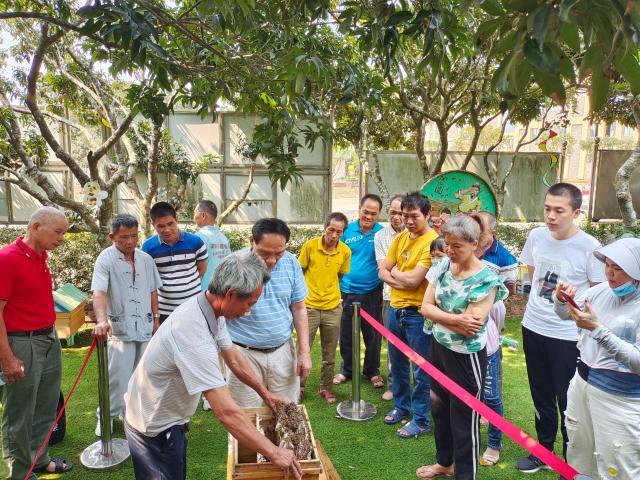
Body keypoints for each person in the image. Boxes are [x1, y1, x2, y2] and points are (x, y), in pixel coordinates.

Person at [124, 251, 302, 480]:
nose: (249, 310)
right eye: (249, 303)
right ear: (230, 294)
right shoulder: (192, 335)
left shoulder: (211, 309)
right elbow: (226, 412)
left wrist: (264, 393)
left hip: (170, 419)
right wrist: (274, 451)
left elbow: (234, 357)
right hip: (154, 427)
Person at [516, 183, 606, 473]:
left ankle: (572, 462)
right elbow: (534, 278)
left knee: (568, 401)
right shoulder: (537, 236)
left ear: (576, 212)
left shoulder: (590, 247)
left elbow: (597, 295)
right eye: (547, 208)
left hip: (567, 337)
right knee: (540, 395)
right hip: (533, 327)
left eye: (559, 210)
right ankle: (543, 452)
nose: (550, 216)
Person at [419, 214, 507, 480]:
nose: (450, 250)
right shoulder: (444, 265)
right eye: (447, 243)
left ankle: (465, 475)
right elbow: (424, 307)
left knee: (464, 420)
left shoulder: (486, 278)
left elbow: (472, 327)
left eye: (457, 246)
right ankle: (444, 463)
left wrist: (439, 315)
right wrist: (456, 318)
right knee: (438, 408)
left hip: (466, 358)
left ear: (475, 243)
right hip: (439, 349)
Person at [555, 237, 640, 480]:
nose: (610, 274)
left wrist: (597, 330)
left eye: (619, 268)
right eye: (608, 265)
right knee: (579, 452)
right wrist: (562, 301)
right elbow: (566, 315)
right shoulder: (602, 291)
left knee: (618, 464)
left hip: (622, 398)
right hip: (583, 383)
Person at [0, 207, 72, 478]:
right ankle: (20, 473)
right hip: (21, 343)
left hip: (49, 338)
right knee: (19, 413)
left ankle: (40, 460)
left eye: (64, 232)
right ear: (36, 227)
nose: (62, 238)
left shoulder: (41, 256)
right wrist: (7, 358)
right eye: (58, 232)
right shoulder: (7, 258)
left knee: (47, 404)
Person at [225, 218, 311, 406]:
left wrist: (304, 352)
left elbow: (299, 307)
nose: (272, 260)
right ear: (251, 241)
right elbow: (218, 311)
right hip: (243, 353)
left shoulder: (291, 263)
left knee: (288, 413)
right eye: (264, 253)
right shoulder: (232, 265)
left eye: (279, 253)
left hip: (283, 352)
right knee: (245, 416)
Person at [91, 214, 162, 436]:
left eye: (133, 236)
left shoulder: (145, 259)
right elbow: (99, 292)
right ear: (112, 236)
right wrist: (102, 320)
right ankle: (106, 416)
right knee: (117, 378)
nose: (130, 241)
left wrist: (157, 319)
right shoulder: (105, 259)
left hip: (145, 325)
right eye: (124, 237)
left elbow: (153, 290)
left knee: (142, 377)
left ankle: (130, 414)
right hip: (119, 330)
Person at [379, 192, 438, 438]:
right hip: (395, 309)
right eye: (405, 216)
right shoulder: (401, 237)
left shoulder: (433, 242)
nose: (408, 221)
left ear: (427, 215)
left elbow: (415, 281)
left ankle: (421, 419)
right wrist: (401, 279)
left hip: (418, 314)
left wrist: (398, 277)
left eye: (414, 216)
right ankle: (401, 407)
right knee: (398, 363)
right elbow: (382, 270)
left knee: (422, 370)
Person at [476, 211, 517, 467]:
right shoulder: (458, 257)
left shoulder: (500, 259)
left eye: (479, 231)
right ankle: (470, 434)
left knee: (492, 394)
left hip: (489, 338)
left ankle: (494, 442)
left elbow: (508, 293)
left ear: (491, 232)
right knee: (467, 392)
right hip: (462, 343)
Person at [298, 212, 351, 403]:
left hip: (332, 308)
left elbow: (340, 276)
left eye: (339, 231)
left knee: (329, 354)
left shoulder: (345, 251)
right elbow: (300, 272)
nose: (334, 235)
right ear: (324, 227)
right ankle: (299, 387)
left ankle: (326, 388)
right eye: (331, 230)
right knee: (303, 350)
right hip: (309, 306)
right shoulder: (310, 246)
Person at [334, 194, 385, 389]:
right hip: (347, 291)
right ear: (359, 209)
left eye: (374, 213)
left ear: (379, 214)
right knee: (346, 333)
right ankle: (347, 369)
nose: (369, 216)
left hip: (373, 292)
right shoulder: (347, 231)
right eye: (366, 211)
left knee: (372, 334)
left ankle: (372, 371)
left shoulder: (381, 233)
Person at [142, 202, 208, 323]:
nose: (167, 230)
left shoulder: (196, 242)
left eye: (170, 224)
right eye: (160, 226)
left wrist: (184, 285)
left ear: (177, 219)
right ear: (153, 225)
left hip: (192, 308)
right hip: (164, 312)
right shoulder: (148, 248)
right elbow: (149, 282)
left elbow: (202, 269)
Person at [375, 194, 405, 401]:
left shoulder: (420, 236)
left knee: (419, 345)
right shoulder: (381, 236)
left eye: (400, 213)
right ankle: (393, 385)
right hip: (390, 296)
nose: (396, 217)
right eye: (393, 212)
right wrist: (409, 276)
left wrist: (394, 269)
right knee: (393, 344)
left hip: (416, 300)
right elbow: (383, 269)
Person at [193, 200, 231, 291]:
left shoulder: (197, 238)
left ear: (203, 215)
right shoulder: (224, 238)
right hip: (221, 291)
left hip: (202, 293)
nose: (194, 216)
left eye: (195, 212)